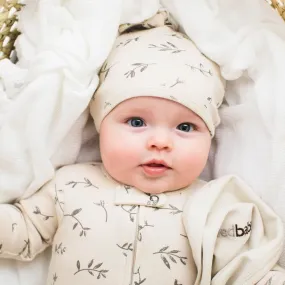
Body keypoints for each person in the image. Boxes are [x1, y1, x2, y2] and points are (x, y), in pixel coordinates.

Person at [0, 11, 284, 285]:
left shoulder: (213, 206)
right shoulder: (69, 186)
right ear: (101, 125)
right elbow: (23, 231)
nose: (160, 142)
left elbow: (249, 272)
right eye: (137, 122)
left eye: (185, 127)